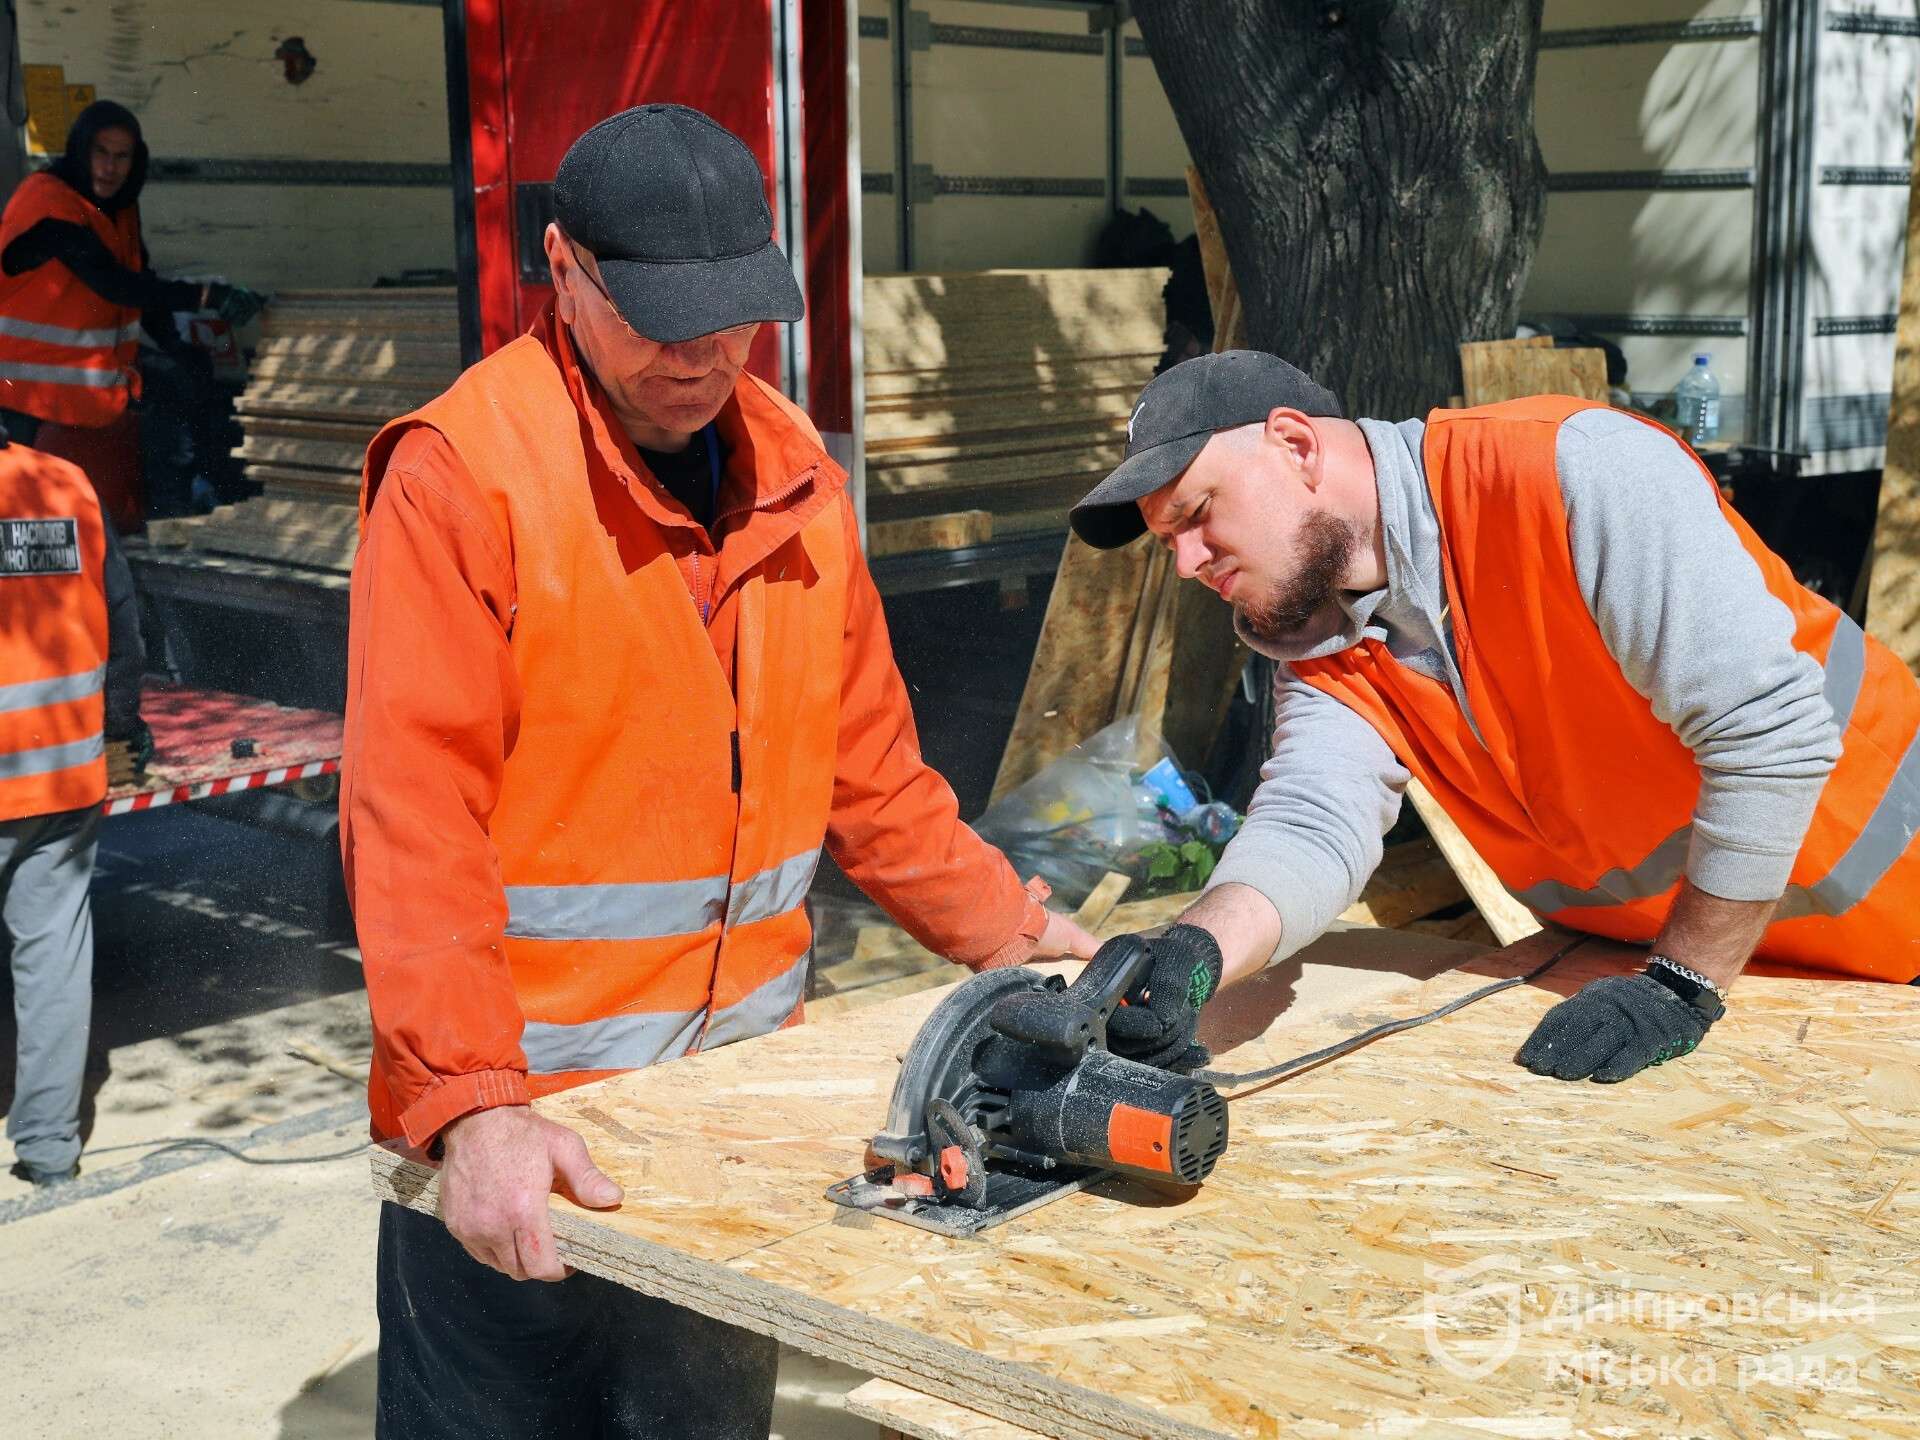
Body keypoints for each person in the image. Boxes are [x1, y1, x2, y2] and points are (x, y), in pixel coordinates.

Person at [340, 104, 1098, 1439]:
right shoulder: (464, 476)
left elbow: (872, 777)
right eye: (659, 321)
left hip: (729, 1138)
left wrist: (1025, 939)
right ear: (562, 268)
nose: (701, 359)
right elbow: (413, 818)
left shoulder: (798, 476)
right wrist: (471, 1107)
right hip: (529, 1135)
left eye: (732, 320)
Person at [1066, 350, 1920, 1087]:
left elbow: (1768, 734)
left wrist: (1682, 982)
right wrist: (1195, 951)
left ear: (1295, 446)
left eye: (1196, 512)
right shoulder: (1320, 635)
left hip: (1886, 925)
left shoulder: (1573, 471)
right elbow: (1312, 824)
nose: (1184, 563)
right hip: (1738, 982)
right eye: (1164, 539)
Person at [1, 418, 146, 1187]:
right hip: (60, 777)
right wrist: (123, 725)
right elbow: (120, 618)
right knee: (52, 957)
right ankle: (50, 1152)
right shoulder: (64, 484)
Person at [0, 100, 263, 512]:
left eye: (122, 156)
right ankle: (168, 512)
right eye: (100, 153)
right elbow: (114, 284)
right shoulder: (48, 202)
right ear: (80, 151)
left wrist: (177, 347)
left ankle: (184, 514)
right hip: (24, 386)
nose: (110, 167)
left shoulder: (119, 208)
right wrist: (206, 298)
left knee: (186, 378)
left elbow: (140, 279)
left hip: (85, 371)